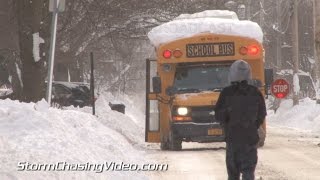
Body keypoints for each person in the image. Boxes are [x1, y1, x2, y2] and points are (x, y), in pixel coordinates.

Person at [214, 60, 266, 180]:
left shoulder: (226, 93)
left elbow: (218, 115)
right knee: (249, 171)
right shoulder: (255, 92)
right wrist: (252, 126)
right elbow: (262, 114)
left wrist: (227, 124)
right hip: (250, 139)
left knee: (233, 173)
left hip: (233, 139)